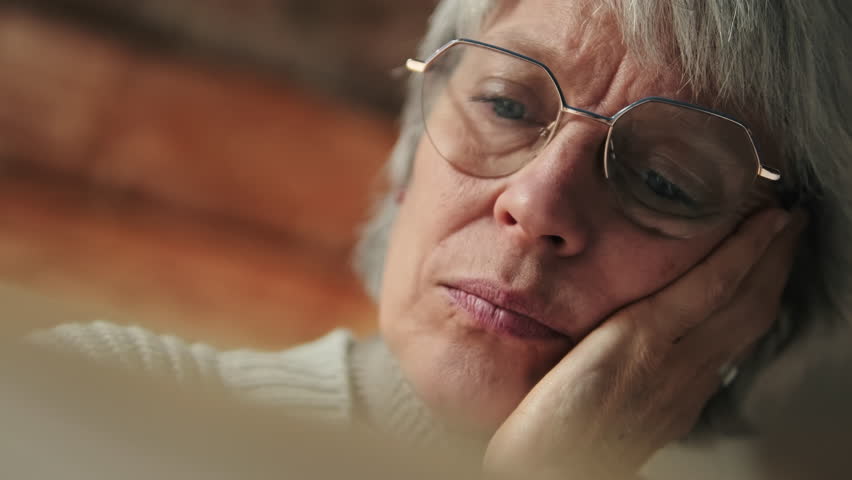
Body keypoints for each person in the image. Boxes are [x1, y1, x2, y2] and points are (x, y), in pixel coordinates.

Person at [22, 0, 851, 478]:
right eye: (507, 106)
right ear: (410, 147)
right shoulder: (98, 400)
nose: (536, 202)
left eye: (666, 180)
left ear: (770, 277)